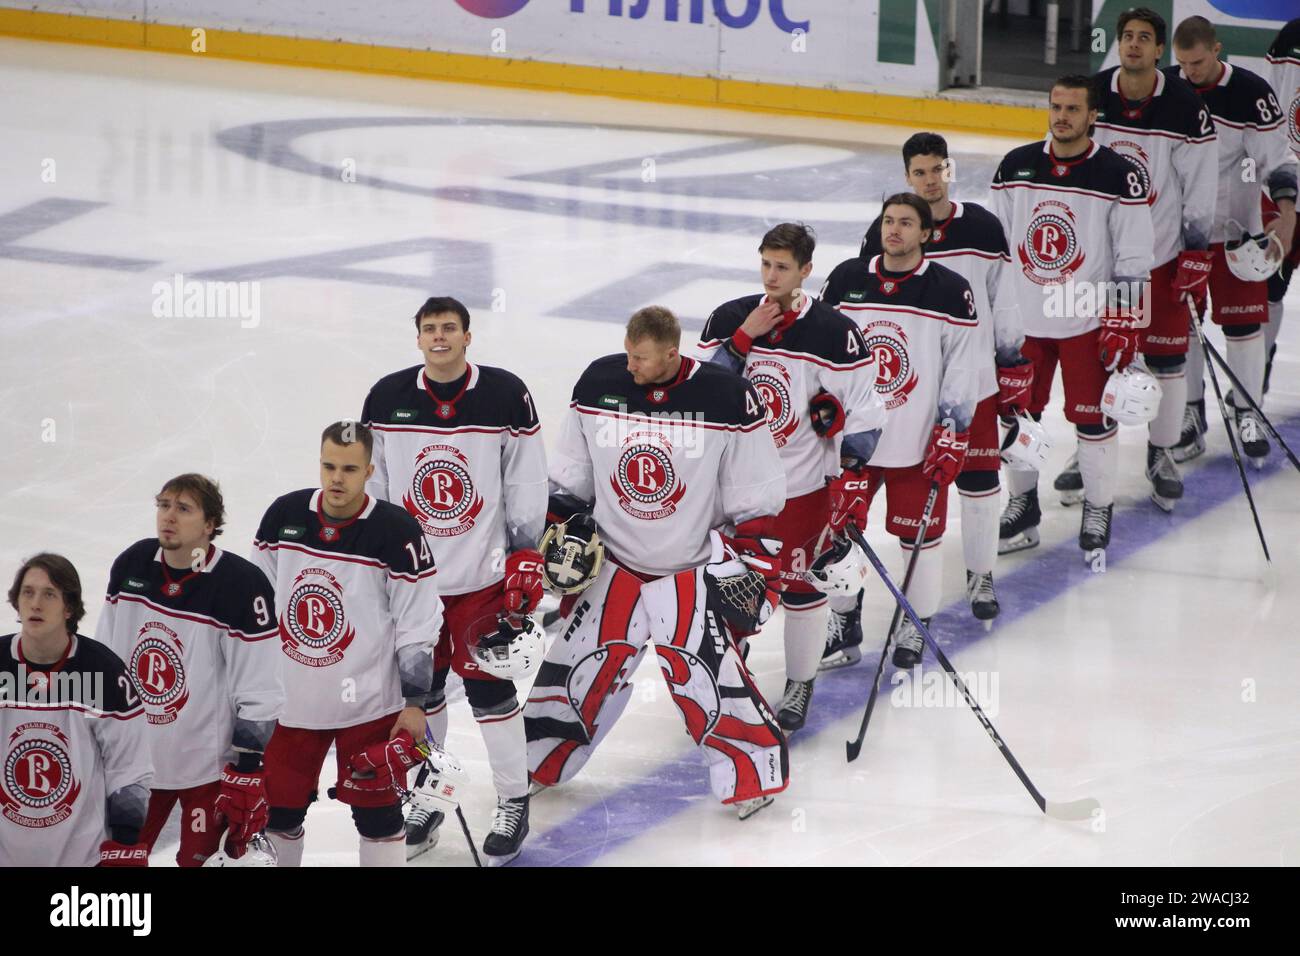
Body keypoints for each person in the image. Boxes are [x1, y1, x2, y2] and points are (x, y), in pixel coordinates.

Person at [524, 306, 790, 819]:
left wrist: (756, 569)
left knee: (706, 680)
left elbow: (754, 495)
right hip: (614, 566)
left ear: (673, 353)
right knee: (574, 671)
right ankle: (537, 764)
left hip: (687, 570)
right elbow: (572, 479)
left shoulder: (726, 397)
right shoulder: (600, 382)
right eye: (627, 354)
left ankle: (751, 776)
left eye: (641, 358)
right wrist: (555, 532)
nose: (630, 367)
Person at [361, 296, 546, 865]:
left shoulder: (504, 394)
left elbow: (524, 477)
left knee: (491, 692)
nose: (438, 337)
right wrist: (378, 561)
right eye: (428, 329)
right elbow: (382, 486)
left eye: (449, 328)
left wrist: (523, 552)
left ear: (469, 336)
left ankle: (514, 799)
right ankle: (429, 795)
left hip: (482, 579)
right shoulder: (387, 398)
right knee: (423, 692)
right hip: (416, 582)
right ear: (417, 338)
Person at [698, 222, 883, 728]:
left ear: (805, 271)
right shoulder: (730, 318)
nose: (772, 275)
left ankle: (800, 684)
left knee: (803, 588)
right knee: (727, 588)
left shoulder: (833, 331)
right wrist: (742, 340)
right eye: (766, 264)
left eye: (783, 267)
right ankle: (730, 686)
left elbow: (864, 411)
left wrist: (851, 477)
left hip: (803, 490)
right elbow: (701, 396)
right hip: (737, 491)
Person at [850, 132, 1026, 644]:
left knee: (977, 481)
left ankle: (980, 576)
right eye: (918, 172)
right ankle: (856, 611)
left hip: (974, 382)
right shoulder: (886, 233)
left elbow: (1005, 295)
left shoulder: (983, 226)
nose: (929, 180)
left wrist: (1012, 357)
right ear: (907, 176)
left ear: (950, 170)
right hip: (904, 393)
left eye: (937, 170)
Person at [252, 421, 443, 867]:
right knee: (279, 812)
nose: (337, 478)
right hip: (292, 701)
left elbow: (417, 623)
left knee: (378, 818)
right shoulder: (285, 516)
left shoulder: (396, 531)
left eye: (350, 469)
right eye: (329, 466)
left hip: (369, 704)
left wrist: (415, 703)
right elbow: (255, 609)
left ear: (369, 470)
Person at [1052, 8, 1217, 512]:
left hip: (1160, 257)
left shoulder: (1185, 106)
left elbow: (1201, 181)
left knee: (1167, 360)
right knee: (1097, 357)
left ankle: (1160, 452)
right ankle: (1090, 448)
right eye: (1127, 37)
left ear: (1159, 50)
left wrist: (1195, 248)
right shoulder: (1094, 96)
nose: (1134, 46)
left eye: (1145, 38)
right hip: (1097, 260)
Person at [990, 74, 1156, 559]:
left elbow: (1133, 254)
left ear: (1092, 116)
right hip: (1023, 320)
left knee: (1095, 419)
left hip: (1087, 319)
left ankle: (1098, 507)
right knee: (1019, 414)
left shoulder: (1118, 173)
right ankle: (1023, 505)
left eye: (1072, 109)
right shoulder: (1014, 167)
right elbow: (997, 249)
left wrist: (1126, 320)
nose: (1061, 116)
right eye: (1056, 107)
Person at [820, 193, 985, 668]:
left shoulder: (950, 290)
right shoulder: (849, 278)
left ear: (926, 234)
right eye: (888, 221)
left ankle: (916, 621)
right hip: (854, 442)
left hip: (916, 442)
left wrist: (953, 428)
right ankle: (844, 621)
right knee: (835, 533)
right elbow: (824, 351)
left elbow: (961, 365)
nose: (894, 230)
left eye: (906, 223)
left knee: (921, 539)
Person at [96, 474, 281, 866]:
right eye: (163, 505)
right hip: (136, 764)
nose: (169, 517)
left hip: (207, 769)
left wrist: (248, 765)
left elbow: (259, 683)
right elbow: (107, 658)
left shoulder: (241, 584)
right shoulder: (133, 565)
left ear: (210, 524)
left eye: (183, 509)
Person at [1167, 16, 1297, 467]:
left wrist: (1284, 211)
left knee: (1243, 326)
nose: (1190, 72)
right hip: (1179, 236)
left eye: (1198, 62)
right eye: (1182, 63)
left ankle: (1248, 412)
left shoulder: (1251, 93)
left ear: (1217, 49)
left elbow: (1275, 159)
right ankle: (1190, 412)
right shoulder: (1169, 87)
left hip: (1235, 232)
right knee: (1184, 326)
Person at [1, 553, 152, 867]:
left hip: (82, 858)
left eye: (49, 594)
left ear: (69, 607)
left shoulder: (105, 671)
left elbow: (129, 768)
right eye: (27, 592)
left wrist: (124, 842)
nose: (36, 603)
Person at [1264, 18, 1300, 397]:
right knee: (1271, 287)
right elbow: (1271, 107)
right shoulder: (1291, 36)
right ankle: (1257, 370)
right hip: (1290, 189)